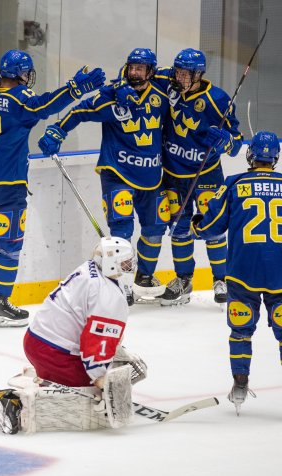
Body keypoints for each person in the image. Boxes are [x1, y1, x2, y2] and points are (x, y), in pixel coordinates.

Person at [0, 27, 106, 327]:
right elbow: (47, 105)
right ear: (22, 74)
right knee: (9, 246)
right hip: (7, 184)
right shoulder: (21, 100)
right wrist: (76, 88)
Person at [38, 48, 171, 305]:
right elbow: (80, 111)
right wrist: (58, 131)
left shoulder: (162, 94)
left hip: (152, 175)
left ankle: (144, 277)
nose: (134, 73)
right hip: (117, 172)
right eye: (131, 67)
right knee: (122, 231)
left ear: (151, 71)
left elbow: (179, 78)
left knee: (155, 229)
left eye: (140, 69)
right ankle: (121, 284)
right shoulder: (113, 99)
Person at [0, 237, 148, 434]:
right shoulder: (107, 295)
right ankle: (15, 402)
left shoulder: (91, 269)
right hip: (53, 353)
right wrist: (98, 379)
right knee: (90, 395)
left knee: (111, 374)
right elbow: (94, 341)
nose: (129, 266)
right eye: (125, 262)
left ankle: (44, 375)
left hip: (38, 341)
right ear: (112, 264)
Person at [191, 131, 280, 415]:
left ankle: (240, 383)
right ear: (275, 157)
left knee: (241, 332)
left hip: (244, 272)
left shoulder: (234, 183)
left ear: (251, 155)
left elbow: (212, 226)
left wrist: (196, 225)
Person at [154, 48, 243, 305]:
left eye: (185, 73)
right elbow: (137, 77)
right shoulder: (164, 82)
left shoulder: (217, 99)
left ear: (198, 74)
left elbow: (237, 144)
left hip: (207, 174)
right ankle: (183, 279)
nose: (179, 77)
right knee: (180, 229)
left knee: (212, 229)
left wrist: (225, 140)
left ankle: (222, 280)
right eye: (177, 71)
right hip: (173, 174)